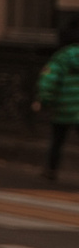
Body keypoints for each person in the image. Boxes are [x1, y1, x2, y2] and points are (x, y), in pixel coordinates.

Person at [38, 17, 79, 181]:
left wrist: (44, 100)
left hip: (63, 108)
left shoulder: (60, 58)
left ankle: (51, 170)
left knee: (57, 141)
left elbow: (48, 81)